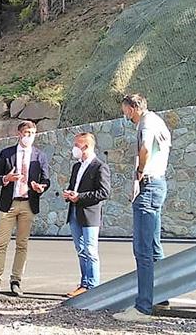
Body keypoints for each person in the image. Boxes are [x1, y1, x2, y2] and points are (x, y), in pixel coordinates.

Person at [113, 93, 172, 323]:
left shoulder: (146, 123)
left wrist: (139, 175)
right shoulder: (158, 120)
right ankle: (161, 297)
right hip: (158, 184)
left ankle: (143, 308)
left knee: (142, 249)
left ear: (132, 108)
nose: (125, 115)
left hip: (148, 186)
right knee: (154, 246)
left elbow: (145, 148)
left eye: (125, 110)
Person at [0, 120, 50, 297]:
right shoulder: (7, 153)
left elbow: (46, 180)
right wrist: (6, 179)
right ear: (19, 134)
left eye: (32, 133)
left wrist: (41, 187)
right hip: (8, 204)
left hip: (28, 203)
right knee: (1, 243)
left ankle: (16, 281)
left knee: (22, 244)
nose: (29, 137)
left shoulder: (40, 156)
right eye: (26, 133)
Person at [62, 132, 110, 298]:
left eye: (77, 145)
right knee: (81, 249)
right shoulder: (77, 166)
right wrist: (69, 194)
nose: (74, 148)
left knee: (90, 250)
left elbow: (104, 192)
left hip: (90, 215)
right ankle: (84, 283)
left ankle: (93, 286)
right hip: (75, 212)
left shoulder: (99, 166)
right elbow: (74, 186)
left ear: (87, 146)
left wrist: (80, 197)